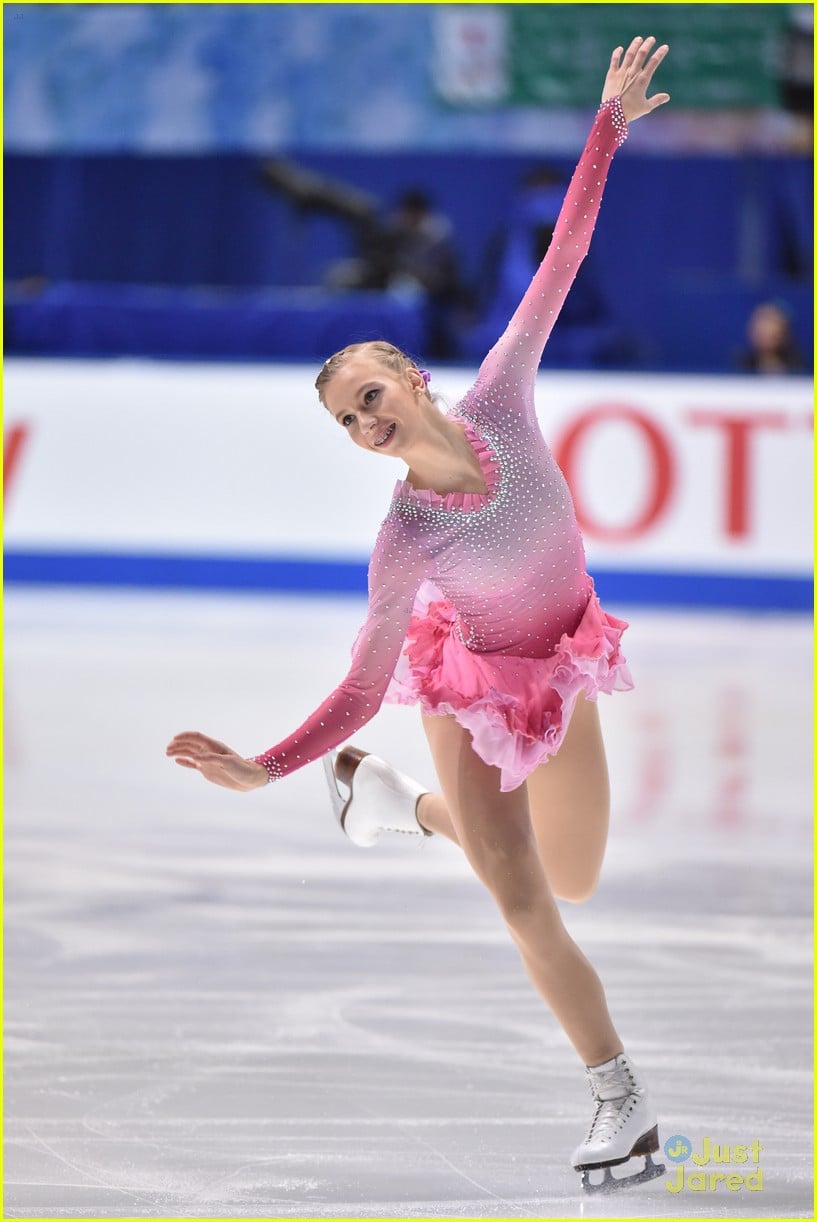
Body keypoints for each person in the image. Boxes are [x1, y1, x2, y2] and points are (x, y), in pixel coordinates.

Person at [167, 36, 671, 1194]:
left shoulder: (501, 393)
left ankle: (399, 806)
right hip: (474, 690)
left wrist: (607, 126)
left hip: (562, 665)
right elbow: (358, 685)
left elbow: (562, 256)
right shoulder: (406, 542)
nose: (366, 423)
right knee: (531, 901)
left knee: (579, 875)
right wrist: (263, 766)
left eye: (370, 395)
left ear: (411, 373)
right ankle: (621, 1104)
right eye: (348, 421)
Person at [738, 300, 805, 374]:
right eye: (760, 323)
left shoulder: (799, 367)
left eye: (771, 322)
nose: (764, 329)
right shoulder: (740, 365)